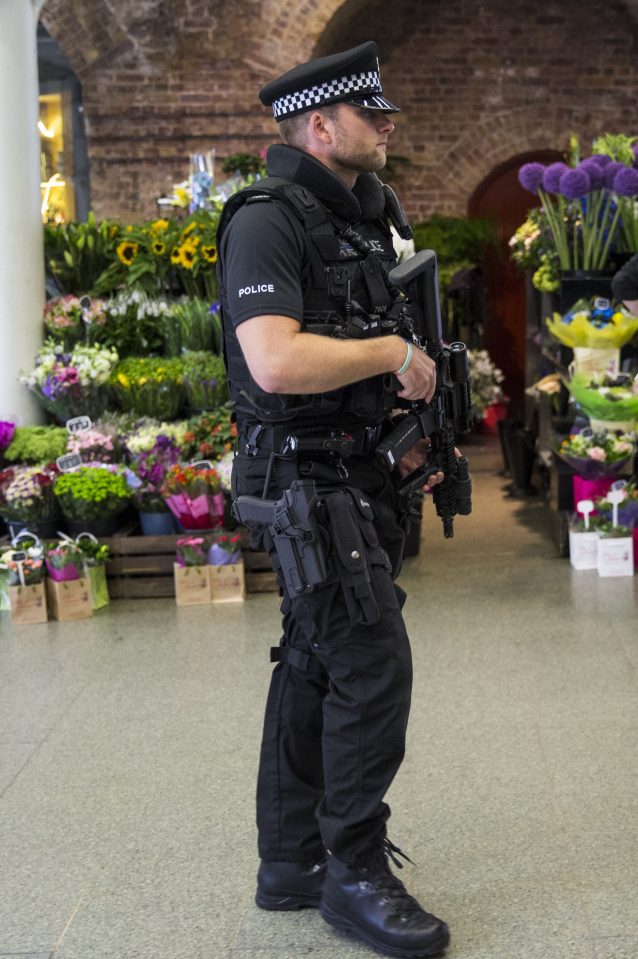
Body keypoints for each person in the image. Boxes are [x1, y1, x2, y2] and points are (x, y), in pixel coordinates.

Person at [217, 41, 451, 959]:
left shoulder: (355, 217)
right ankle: (353, 872)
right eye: (372, 112)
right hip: (305, 480)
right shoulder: (267, 219)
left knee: (316, 658)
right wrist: (393, 358)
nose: (388, 123)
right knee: (371, 661)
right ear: (321, 124)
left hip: (356, 473)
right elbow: (274, 358)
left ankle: (291, 861)